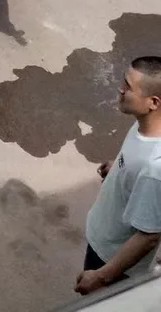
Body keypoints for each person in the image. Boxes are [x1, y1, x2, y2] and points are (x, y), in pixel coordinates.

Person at [76, 56, 161, 295]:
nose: (119, 89)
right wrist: (119, 167)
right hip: (104, 236)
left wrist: (102, 276)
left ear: (153, 102)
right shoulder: (145, 123)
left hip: (109, 257)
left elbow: (148, 236)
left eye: (128, 86)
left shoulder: (155, 169)